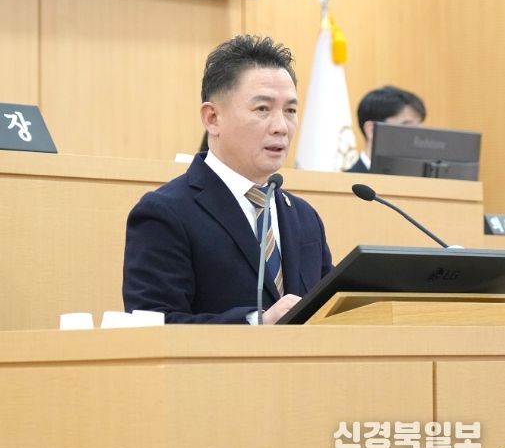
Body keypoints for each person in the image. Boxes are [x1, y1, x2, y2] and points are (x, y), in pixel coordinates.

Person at [123, 35, 333, 324]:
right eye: (262, 109)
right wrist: (255, 323)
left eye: (290, 111)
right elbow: (153, 325)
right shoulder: (166, 212)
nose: (281, 127)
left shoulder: (305, 217)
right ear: (212, 118)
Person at [345, 85, 426, 173]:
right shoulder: (344, 180)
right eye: (407, 126)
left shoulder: (421, 179)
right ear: (372, 130)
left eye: (418, 127)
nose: (416, 136)